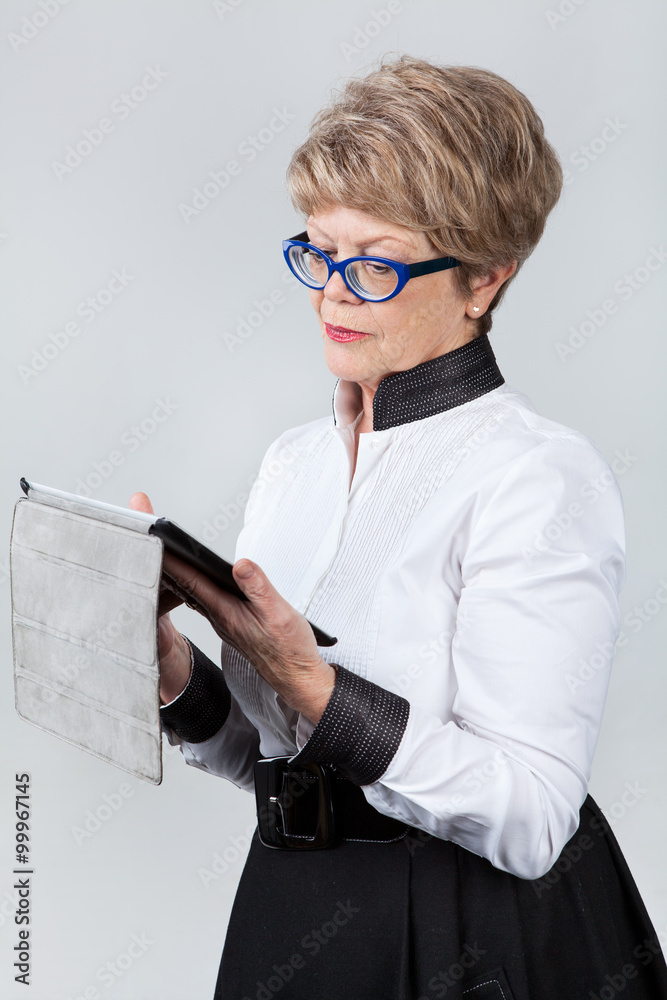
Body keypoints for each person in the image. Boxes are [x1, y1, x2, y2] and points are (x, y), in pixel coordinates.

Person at [131, 57, 667, 999]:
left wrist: (316, 683)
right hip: (290, 909)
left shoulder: (539, 477)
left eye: (373, 263)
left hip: (466, 936)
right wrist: (168, 665)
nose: (330, 292)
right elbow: (271, 754)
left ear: (483, 280)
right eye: (315, 250)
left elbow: (532, 816)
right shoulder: (292, 463)